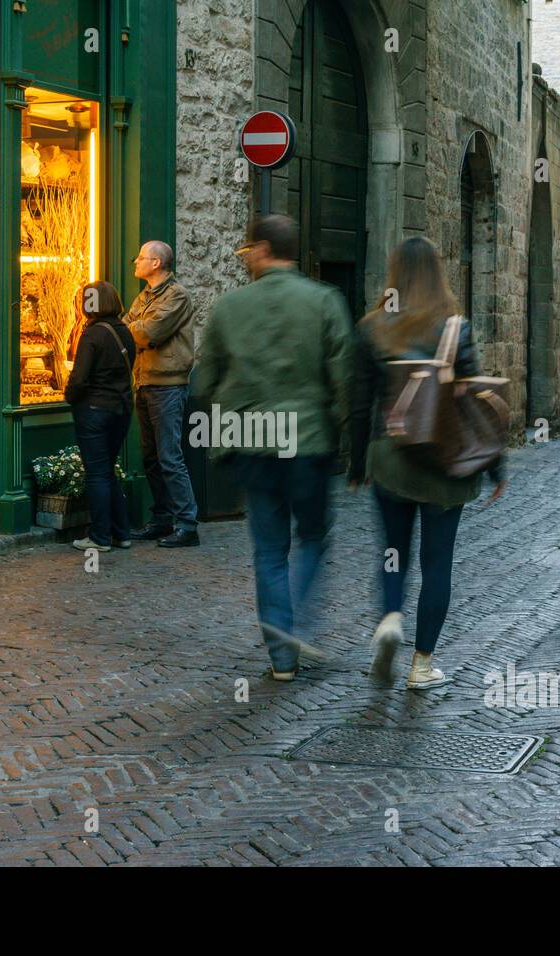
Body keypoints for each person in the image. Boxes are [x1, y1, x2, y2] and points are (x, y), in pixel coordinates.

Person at [195, 215, 352, 681]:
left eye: (247, 252)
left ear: (263, 250)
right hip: (307, 443)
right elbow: (344, 378)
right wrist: (343, 436)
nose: (246, 260)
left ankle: (281, 655)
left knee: (267, 549)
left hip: (254, 443)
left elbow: (204, 378)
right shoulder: (324, 301)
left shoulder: (229, 307)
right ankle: (298, 622)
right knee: (311, 538)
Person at [349, 237, 508, 690]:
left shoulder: (372, 326)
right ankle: (422, 665)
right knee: (438, 562)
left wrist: (358, 463)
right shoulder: (455, 326)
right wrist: (495, 465)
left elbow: (358, 403)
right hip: (443, 460)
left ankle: (389, 620)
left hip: (390, 456)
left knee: (392, 551)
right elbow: (480, 398)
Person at [123, 240, 200, 547]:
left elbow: (145, 332)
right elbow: (129, 326)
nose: (135, 262)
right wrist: (135, 329)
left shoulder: (176, 295)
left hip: (168, 384)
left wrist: (136, 329)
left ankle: (187, 524)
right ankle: (162, 519)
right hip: (144, 380)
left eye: (140, 257)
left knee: (169, 457)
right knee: (152, 458)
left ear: (156, 264)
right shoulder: (145, 296)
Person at [65, 281, 136, 552]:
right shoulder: (124, 331)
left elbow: (79, 377)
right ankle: (121, 533)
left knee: (96, 473)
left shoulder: (92, 335)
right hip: (121, 409)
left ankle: (99, 537)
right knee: (107, 470)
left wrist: (69, 396)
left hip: (93, 410)